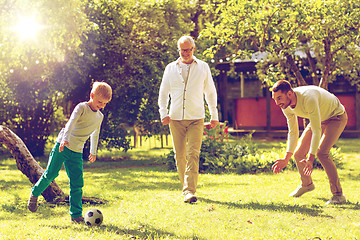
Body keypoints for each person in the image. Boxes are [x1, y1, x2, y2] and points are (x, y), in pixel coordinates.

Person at [27, 81, 112, 223]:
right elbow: (71, 122)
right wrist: (65, 139)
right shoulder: (82, 107)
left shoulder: (100, 117)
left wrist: (93, 151)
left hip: (77, 151)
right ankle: (35, 192)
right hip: (63, 145)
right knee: (51, 174)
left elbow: (95, 133)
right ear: (92, 95)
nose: (101, 105)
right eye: (99, 101)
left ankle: (76, 215)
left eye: (104, 103)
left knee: (77, 183)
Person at [158, 36, 219, 203]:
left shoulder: (203, 67)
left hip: (196, 118)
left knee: (193, 154)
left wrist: (214, 116)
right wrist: (163, 113)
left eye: (188, 49)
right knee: (180, 156)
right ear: (178, 50)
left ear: (194, 48)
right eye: (182, 50)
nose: (185, 53)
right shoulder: (170, 68)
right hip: (175, 118)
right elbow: (163, 93)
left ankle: (189, 190)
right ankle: (186, 188)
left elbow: (210, 92)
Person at [271, 80, 347, 205]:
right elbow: (293, 132)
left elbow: (316, 131)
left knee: (322, 153)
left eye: (279, 98)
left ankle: (338, 195)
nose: (277, 103)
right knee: (298, 153)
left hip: (336, 117)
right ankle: (306, 184)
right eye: (275, 99)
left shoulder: (308, 98)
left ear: (289, 94)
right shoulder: (286, 106)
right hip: (320, 119)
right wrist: (286, 158)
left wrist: (311, 158)